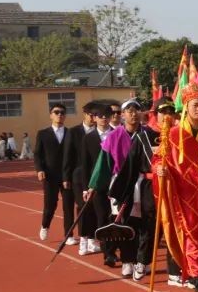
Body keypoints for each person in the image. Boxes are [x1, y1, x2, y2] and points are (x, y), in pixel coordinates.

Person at [153, 83, 198, 292]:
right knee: (191, 235)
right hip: (184, 194)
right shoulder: (173, 134)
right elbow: (159, 160)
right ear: (186, 107)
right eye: (195, 105)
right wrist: (159, 169)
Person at [87, 99, 158, 279]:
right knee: (124, 223)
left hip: (145, 183)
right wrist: (94, 185)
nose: (133, 114)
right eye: (129, 111)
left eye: (137, 110)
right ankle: (127, 260)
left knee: (146, 223)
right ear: (123, 115)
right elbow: (103, 164)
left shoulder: (149, 134)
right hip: (123, 182)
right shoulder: (114, 136)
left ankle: (141, 260)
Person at [34, 104, 75, 243]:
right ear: (51, 115)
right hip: (50, 175)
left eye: (62, 112)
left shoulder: (71, 133)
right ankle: (45, 225)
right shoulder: (43, 134)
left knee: (68, 206)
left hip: (67, 175)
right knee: (50, 204)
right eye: (56, 112)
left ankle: (69, 235)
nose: (59, 115)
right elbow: (38, 154)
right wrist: (39, 169)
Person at [78, 103, 112, 265]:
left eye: (106, 115)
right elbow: (85, 165)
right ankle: (107, 253)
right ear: (95, 118)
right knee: (102, 217)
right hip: (97, 186)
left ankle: (114, 249)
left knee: (116, 218)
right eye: (100, 116)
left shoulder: (118, 134)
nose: (103, 118)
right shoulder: (88, 138)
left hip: (115, 184)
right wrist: (86, 188)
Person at [64, 102, 97, 255]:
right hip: (79, 175)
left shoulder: (100, 132)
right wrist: (66, 176)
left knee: (96, 207)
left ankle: (92, 239)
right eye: (91, 115)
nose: (93, 118)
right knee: (83, 206)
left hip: (96, 175)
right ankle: (83, 240)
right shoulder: (74, 132)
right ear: (84, 114)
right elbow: (67, 155)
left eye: (95, 115)